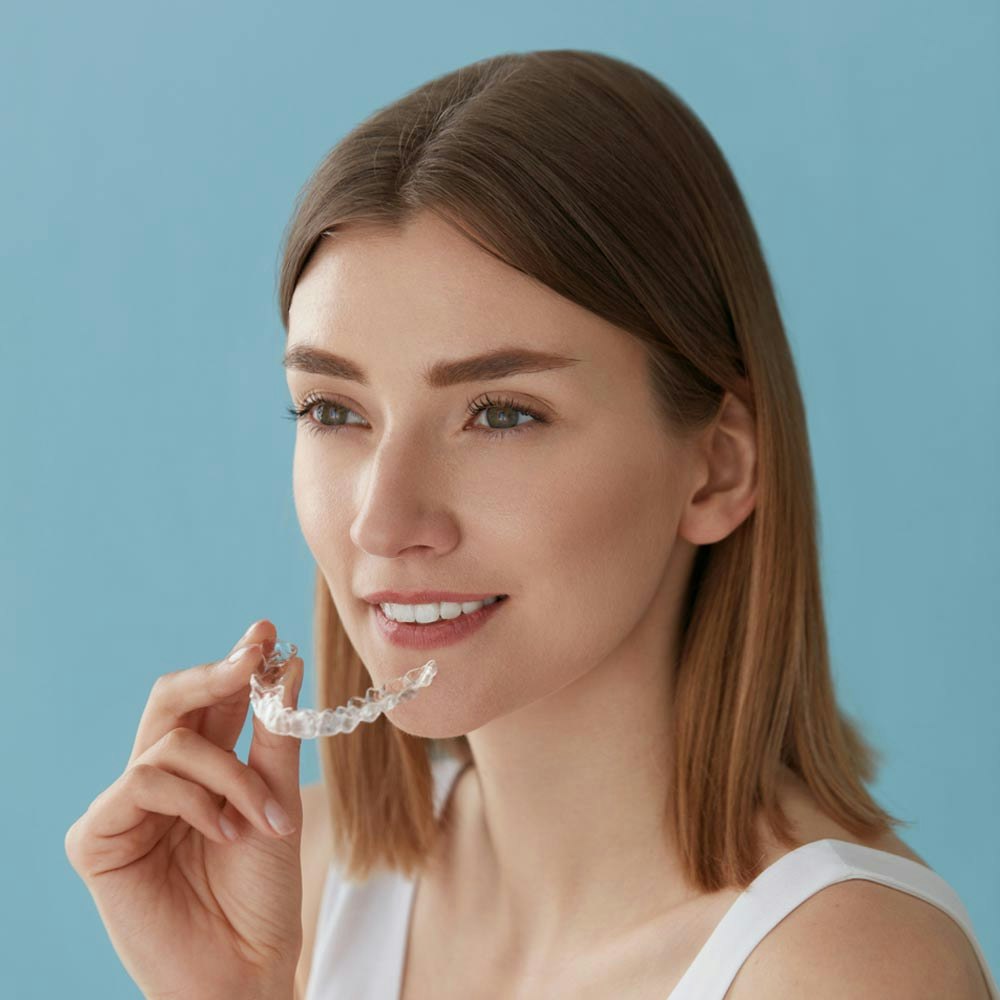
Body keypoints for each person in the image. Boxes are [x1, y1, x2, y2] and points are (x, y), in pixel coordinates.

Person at [66, 49, 998, 1000]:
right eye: (333, 411)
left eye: (502, 413)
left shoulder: (845, 971)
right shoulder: (295, 884)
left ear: (717, 467)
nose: (383, 523)